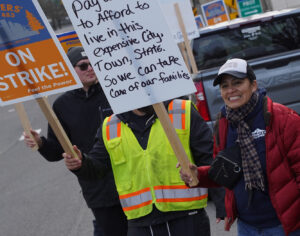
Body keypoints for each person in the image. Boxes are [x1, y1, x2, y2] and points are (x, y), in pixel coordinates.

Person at [63, 99, 226, 236]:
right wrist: (81, 164)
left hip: (187, 217)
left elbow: (208, 158)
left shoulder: (181, 110)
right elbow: (96, 169)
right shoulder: (110, 126)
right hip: (140, 224)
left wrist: (222, 200)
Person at [179, 58, 300, 236]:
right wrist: (198, 174)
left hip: (286, 226)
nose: (231, 90)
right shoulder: (223, 124)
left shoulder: (283, 118)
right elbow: (225, 173)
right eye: (225, 86)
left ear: (253, 85)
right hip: (247, 226)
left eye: (237, 83)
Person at [24, 46, 127, 236]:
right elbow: (57, 151)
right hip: (99, 190)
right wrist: (41, 143)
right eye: (83, 65)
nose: (90, 68)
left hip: (133, 181)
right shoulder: (62, 105)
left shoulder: (115, 91)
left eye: (92, 64)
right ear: (71, 71)